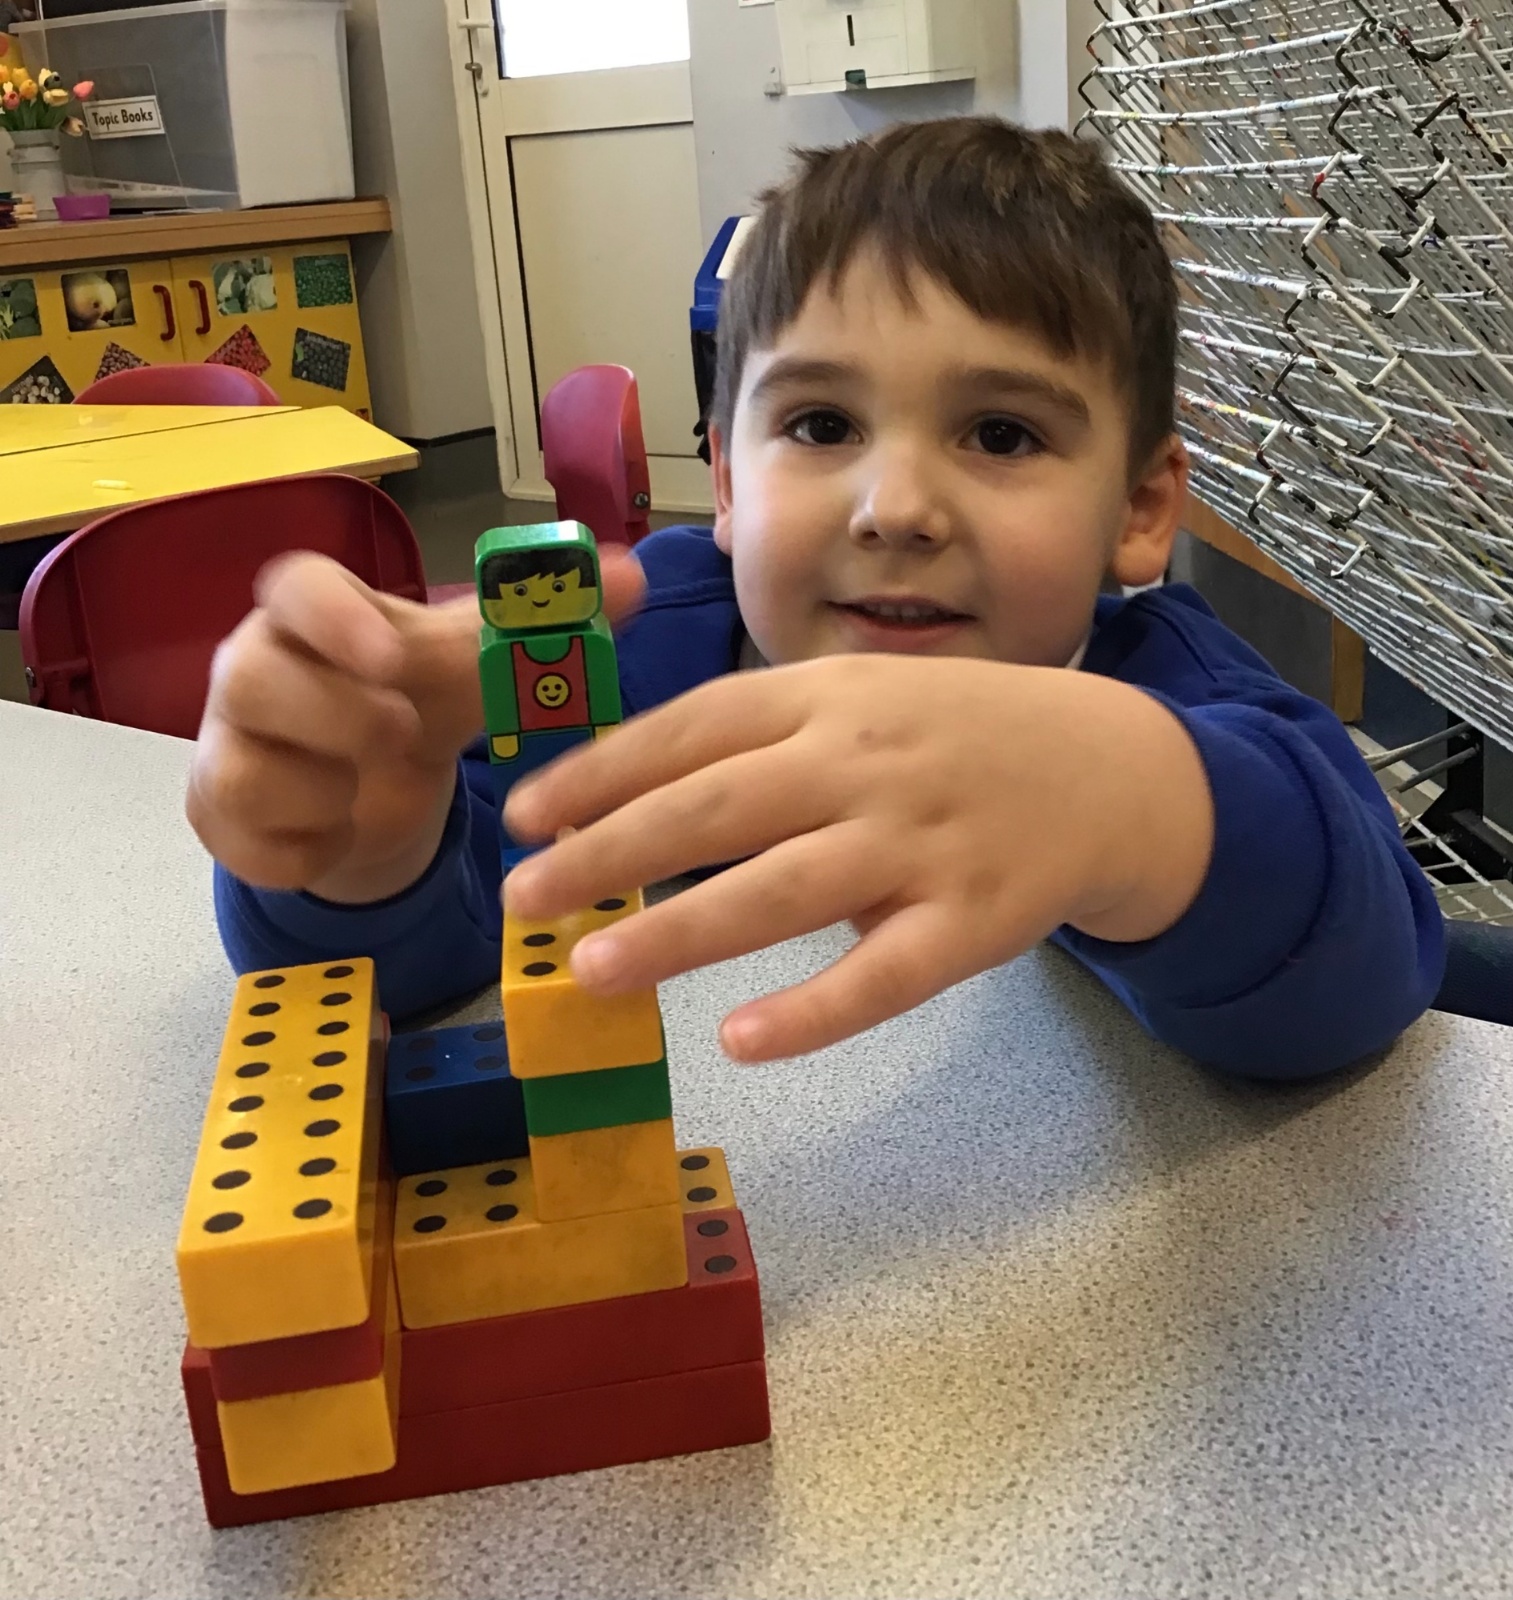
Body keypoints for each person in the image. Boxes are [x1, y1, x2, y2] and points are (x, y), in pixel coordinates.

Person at [189, 116, 1442, 1081]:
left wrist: (1135, 804)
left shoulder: (1175, 696)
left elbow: (1365, 973)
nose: (894, 507)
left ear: (1137, 511)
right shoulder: (628, 653)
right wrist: (365, 858)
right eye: (823, 424)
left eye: (1002, 433)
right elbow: (424, 968)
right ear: (729, 483)